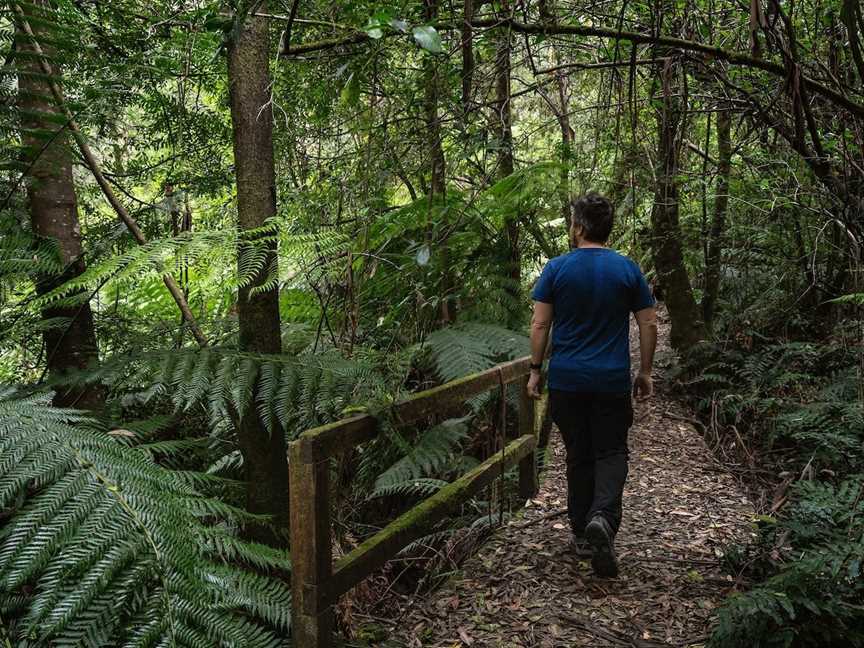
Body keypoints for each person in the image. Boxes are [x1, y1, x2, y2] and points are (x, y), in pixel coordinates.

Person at [526, 192, 658, 578]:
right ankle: (603, 518)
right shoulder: (628, 269)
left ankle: (583, 531)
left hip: (567, 380)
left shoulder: (556, 269)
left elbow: (539, 324)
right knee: (612, 451)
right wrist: (645, 371)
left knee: (578, 454)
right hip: (611, 381)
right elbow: (648, 323)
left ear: (578, 227)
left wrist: (536, 369)